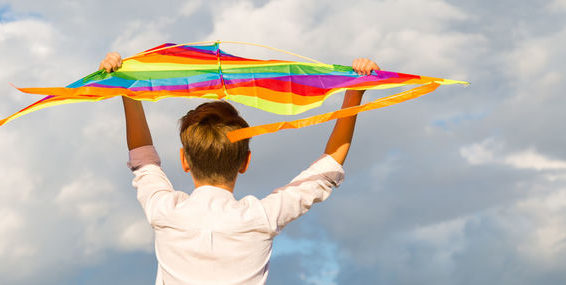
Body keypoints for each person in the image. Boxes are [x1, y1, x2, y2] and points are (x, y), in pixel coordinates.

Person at [99, 51, 379, 285]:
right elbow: (328, 168)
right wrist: (354, 94)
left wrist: (126, 89)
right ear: (245, 162)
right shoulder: (261, 217)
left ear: (184, 160)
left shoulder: (165, 210)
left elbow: (143, 159)